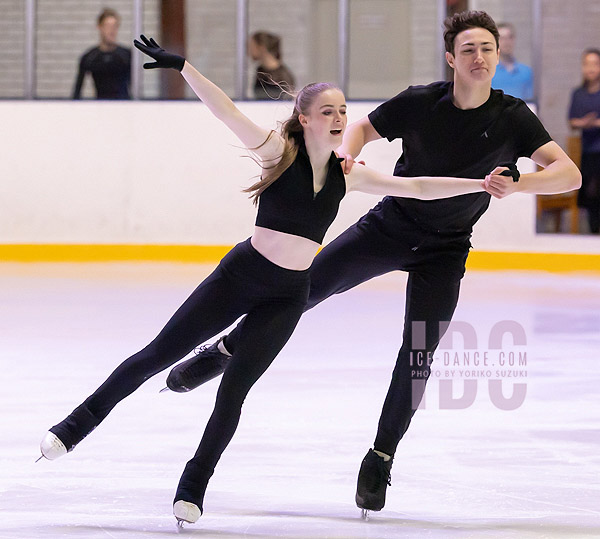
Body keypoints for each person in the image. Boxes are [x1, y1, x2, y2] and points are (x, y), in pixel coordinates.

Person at [39, 35, 489, 526]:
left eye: (343, 111)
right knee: (156, 355)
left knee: (233, 394)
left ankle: (193, 485)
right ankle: (75, 425)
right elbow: (226, 111)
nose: (339, 119)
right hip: (241, 278)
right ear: (305, 118)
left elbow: (418, 187)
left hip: (288, 296)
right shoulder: (279, 153)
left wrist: (481, 183)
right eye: (328, 111)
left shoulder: (349, 173)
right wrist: (185, 66)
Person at [168, 10, 581, 516]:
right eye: (468, 49)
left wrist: (522, 184)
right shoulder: (420, 102)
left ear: (497, 57)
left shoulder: (514, 116)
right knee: (301, 292)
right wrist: (349, 156)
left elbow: (569, 174)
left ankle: (380, 457)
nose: (479, 57)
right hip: (389, 227)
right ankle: (227, 349)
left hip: (447, 248)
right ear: (451, 58)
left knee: (419, 352)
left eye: (487, 49)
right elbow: (361, 128)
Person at [569, 48, 600, 234]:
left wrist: (595, 123)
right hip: (588, 151)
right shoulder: (578, 94)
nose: (591, 68)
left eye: (595, 64)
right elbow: (572, 121)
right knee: (590, 192)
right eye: (587, 64)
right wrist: (585, 123)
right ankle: (594, 230)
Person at [73, 8, 131, 100]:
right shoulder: (90, 57)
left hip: (123, 106)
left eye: (114, 26)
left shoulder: (126, 55)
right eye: (108, 26)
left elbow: (135, 85)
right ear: (99, 27)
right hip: (100, 106)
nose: (111, 31)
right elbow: (77, 91)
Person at [491, 22, 534, 101]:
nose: (506, 42)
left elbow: (531, 103)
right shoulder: (489, 72)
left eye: (509, 37)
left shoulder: (527, 72)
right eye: (502, 38)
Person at [248, 31, 295, 100]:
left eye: (251, 47)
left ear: (261, 47)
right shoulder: (260, 70)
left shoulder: (282, 75)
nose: (249, 51)